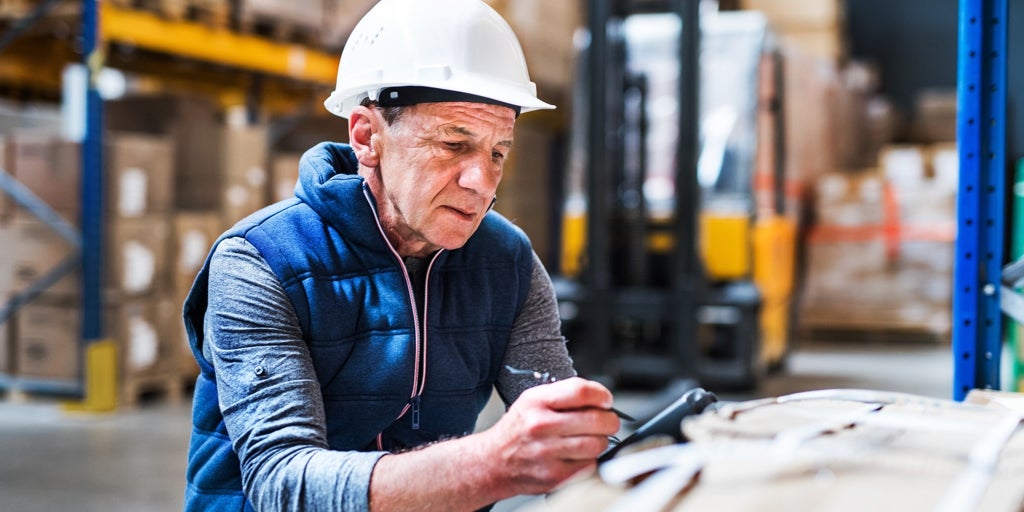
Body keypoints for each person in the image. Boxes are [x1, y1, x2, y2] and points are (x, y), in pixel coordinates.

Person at [182, 0, 622, 510]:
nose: (481, 183)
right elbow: (283, 483)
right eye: (454, 144)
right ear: (368, 137)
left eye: (498, 152)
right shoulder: (261, 261)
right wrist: (490, 463)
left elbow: (560, 437)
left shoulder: (508, 263)